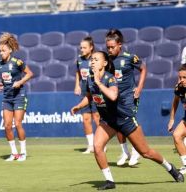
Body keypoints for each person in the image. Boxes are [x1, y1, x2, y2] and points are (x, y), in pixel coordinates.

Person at [71, 51, 184, 190]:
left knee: (145, 152)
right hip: (108, 121)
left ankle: (169, 167)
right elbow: (89, 97)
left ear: (105, 63)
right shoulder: (90, 78)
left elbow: (113, 96)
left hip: (124, 119)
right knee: (97, 147)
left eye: (96, 59)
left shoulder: (110, 78)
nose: (92, 61)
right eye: (91, 59)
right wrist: (79, 106)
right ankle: (109, 181)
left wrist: (99, 83)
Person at [106, 29, 145, 166]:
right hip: (114, 97)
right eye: (108, 47)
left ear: (119, 45)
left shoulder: (129, 57)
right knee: (118, 125)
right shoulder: (107, 60)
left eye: (112, 47)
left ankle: (136, 151)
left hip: (129, 96)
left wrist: (139, 88)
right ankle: (125, 151)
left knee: (129, 123)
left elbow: (143, 69)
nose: (110, 50)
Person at [0, 32, 33, 162]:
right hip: (7, 97)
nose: (1, 53)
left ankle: (23, 152)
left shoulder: (18, 62)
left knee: (17, 123)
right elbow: (5, 79)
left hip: (19, 96)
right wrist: (1, 84)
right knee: (7, 125)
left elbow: (29, 74)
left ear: (10, 50)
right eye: (0, 51)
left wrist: (20, 82)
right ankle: (14, 153)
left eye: (3, 50)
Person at [74, 36, 100, 154]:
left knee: (97, 117)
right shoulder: (79, 60)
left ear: (91, 48)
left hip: (95, 91)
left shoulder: (96, 59)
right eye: (81, 47)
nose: (82, 49)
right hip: (84, 92)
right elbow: (78, 73)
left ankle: (100, 144)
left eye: (84, 47)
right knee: (85, 119)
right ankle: (90, 145)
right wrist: (77, 85)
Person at [167, 64, 186, 174]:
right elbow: (175, 102)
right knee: (177, 135)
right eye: (180, 77)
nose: (181, 80)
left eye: (184, 77)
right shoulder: (179, 87)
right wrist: (171, 119)